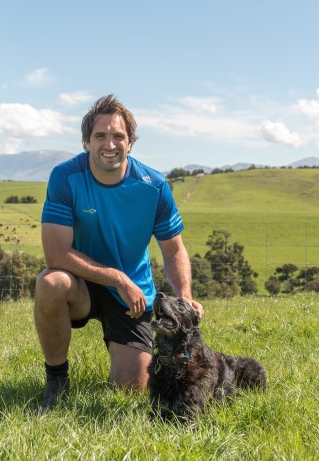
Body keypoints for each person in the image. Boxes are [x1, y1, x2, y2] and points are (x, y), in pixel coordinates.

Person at [34, 94, 203, 411]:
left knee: (131, 389)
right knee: (51, 282)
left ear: (131, 142)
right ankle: (57, 379)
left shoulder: (153, 185)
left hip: (132, 295)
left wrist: (184, 296)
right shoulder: (65, 178)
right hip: (80, 283)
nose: (109, 144)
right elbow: (55, 255)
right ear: (87, 142)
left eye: (118, 136)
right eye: (100, 136)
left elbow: (173, 249)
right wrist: (115, 277)